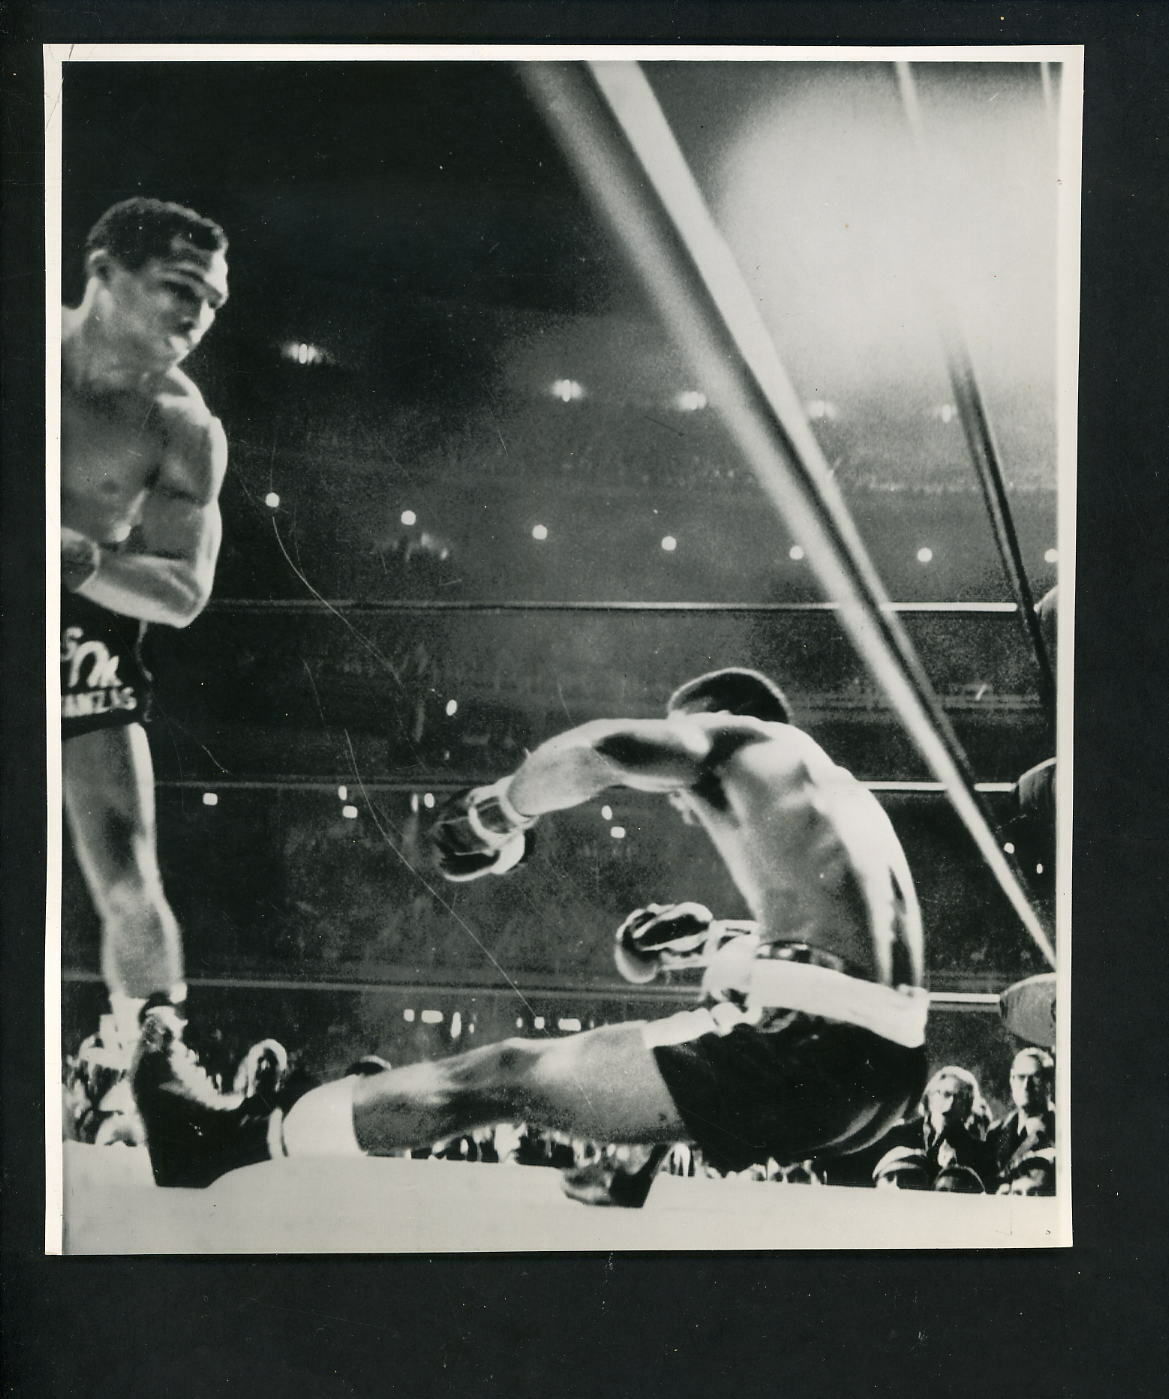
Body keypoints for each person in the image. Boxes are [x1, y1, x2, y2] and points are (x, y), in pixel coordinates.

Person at [132, 667, 930, 1203]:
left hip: (809, 1051)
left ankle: (233, 1139)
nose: (678, 801)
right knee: (641, 1051)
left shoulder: (741, 741)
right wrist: (721, 943)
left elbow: (600, 750)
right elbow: (839, 972)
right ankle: (621, 1155)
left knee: (494, 1073)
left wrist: (498, 816)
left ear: (712, 722)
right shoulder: (839, 806)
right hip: (885, 1074)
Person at [60, 197, 230, 1094]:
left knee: (125, 864)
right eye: (177, 288)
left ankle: (158, 1068)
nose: (195, 316)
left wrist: (74, 558)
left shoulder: (182, 425)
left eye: (210, 302)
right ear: (102, 269)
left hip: (78, 626)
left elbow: (182, 590)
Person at [869, 1065, 996, 1190]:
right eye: (945, 1094)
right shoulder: (896, 1135)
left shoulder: (979, 1153)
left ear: (967, 1108)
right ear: (929, 1098)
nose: (950, 1103)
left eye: (960, 1098)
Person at [985, 1048, 1056, 1189]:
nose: (1026, 1086)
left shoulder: (1061, 1128)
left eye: (1035, 1077)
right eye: (1020, 1077)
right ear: (1011, 1080)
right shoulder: (996, 1132)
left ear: (1049, 1083)